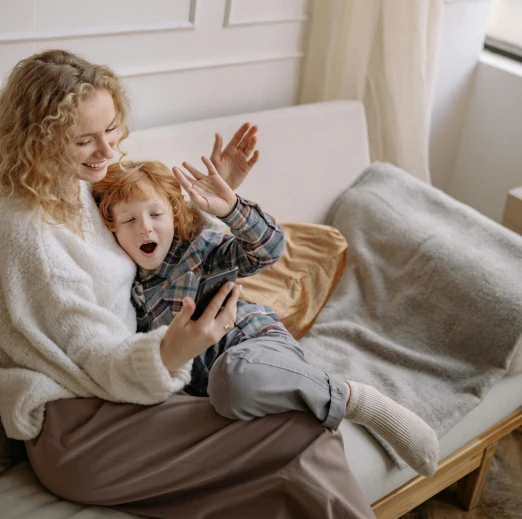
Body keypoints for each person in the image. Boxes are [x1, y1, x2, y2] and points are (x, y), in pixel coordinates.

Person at [0, 48, 377, 519]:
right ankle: (347, 399)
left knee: (292, 456)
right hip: (82, 429)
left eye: (111, 128)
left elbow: (147, 233)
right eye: (84, 140)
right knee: (296, 433)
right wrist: (171, 352)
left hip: (123, 395)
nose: (108, 151)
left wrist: (215, 199)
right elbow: (90, 354)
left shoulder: (69, 184)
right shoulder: (28, 233)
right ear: (39, 139)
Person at [92, 157, 440, 478]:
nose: (145, 229)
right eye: (129, 220)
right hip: (211, 390)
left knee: (234, 377)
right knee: (222, 399)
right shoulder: (126, 291)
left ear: (174, 215)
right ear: (112, 230)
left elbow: (267, 250)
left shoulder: (199, 250)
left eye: (156, 215)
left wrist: (230, 209)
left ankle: (358, 399)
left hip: (251, 344)